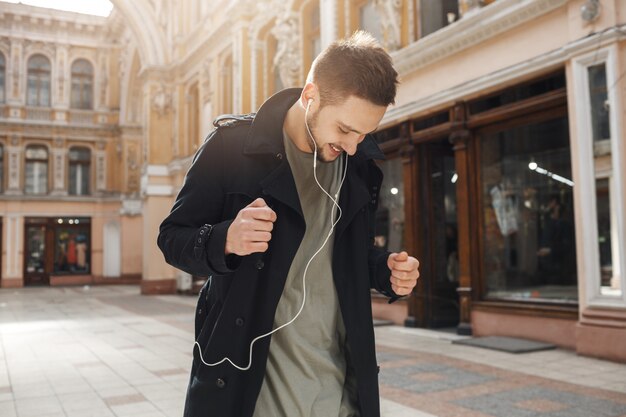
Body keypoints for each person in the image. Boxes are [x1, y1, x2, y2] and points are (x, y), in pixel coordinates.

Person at [157, 31, 420, 417]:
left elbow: (346, 256)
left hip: (341, 393)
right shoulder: (230, 148)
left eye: (365, 133)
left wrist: (385, 272)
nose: (351, 145)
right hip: (250, 390)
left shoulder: (359, 166)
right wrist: (226, 238)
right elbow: (172, 239)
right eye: (345, 130)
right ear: (310, 95)